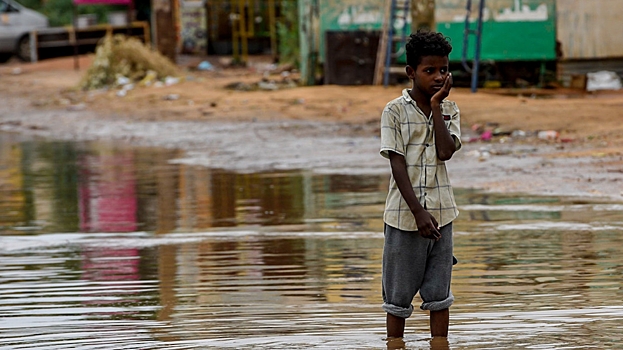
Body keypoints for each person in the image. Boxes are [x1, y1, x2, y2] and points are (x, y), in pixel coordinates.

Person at [379, 30, 461, 340]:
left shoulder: (450, 110)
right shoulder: (394, 112)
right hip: (404, 217)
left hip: (442, 214)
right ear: (412, 72)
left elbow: (444, 152)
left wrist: (437, 106)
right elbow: (397, 164)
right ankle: (394, 344)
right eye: (430, 71)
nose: (439, 77)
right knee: (397, 300)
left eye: (444, 70)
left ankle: (440, 344)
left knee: (439, 295)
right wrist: (418, 214)